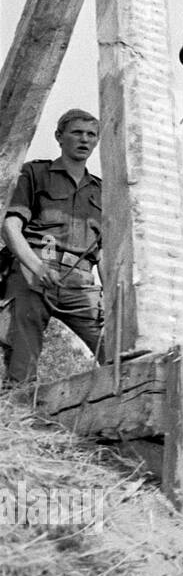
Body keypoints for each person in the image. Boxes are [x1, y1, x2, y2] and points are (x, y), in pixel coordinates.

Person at [1, 108, 110, 385]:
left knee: (117, 352)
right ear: (59, 136)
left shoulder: (103, 191)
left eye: (91, 134)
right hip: (36, 270)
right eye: (77, 133)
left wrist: (112, 296)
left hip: (82, 282)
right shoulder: (35, 173)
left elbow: (106, 253)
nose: (84, 139)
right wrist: (36, 267)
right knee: (22, 367)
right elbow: (10, 226)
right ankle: (20, 410)